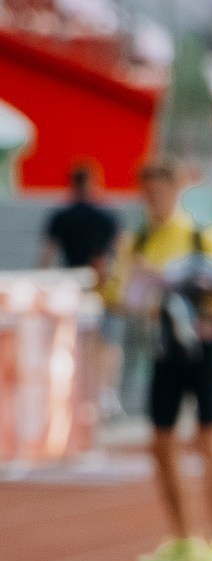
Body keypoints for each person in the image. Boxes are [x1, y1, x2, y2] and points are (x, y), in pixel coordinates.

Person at [110, 161, 212, 561]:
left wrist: (203, 296)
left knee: (208, 439)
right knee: (161, 444)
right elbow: (121, 296)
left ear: (175, 191)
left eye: (161, 192)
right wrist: (136, 288)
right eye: (148, 194)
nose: (155, 200)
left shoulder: (205, 237)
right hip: (163, 352)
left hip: (203, 352)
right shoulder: (138, 241)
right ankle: (185, 539)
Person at [40, 159, 124, 418]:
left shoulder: (61, 216)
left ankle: (86, 392)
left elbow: (47, 255)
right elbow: (117, 253)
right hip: (99, 286)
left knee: (80, 340)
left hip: (73, 286)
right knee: (105, 340)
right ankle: (104, 392)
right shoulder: (105, 216)